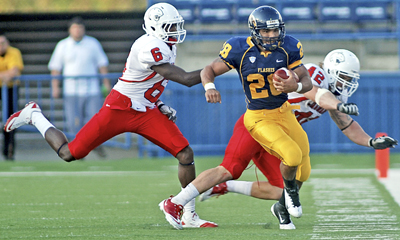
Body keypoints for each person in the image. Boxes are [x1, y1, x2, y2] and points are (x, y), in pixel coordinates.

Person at [4, 3, 216, 229]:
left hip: (145, 110)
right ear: (156, 27)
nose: (175, 30)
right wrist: (218, 68)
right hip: (119, 108)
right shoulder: (148, 46)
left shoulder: (166, 45)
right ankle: (34, 114)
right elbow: (183, 78)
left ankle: (189, 214)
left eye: (176, 25)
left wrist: (158, 102)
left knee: (185, 153)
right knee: (69, 153)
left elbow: (149, 80)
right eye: (170, 26)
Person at [198, 49, 398, 229]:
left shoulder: (336, 96)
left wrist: (371, 142)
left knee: (283, 189)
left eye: (350, 78)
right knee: (229, 169)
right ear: (331, 70)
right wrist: (337, 105)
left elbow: (346, 125)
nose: (347, 82)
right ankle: (183, 202)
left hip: (280, 136)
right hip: (260, 124)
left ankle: (225, 188)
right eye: (344, 76)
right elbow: (317, 93)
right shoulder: (313, 74)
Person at [159, 5, 315, 230]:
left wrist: (296, 85)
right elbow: (208, 70)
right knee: (232, 168)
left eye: (275, 31)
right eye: (266, 31)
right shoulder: (239, 48)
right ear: (255, 31)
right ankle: (176, 202)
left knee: (302, 169)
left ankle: (283, 204)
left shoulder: (289, 46)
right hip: (257, 119)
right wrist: (209, 87)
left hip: (282, 114)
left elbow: (305, 80)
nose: (272, 36)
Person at [48, 16, 111, 157]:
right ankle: (77, 151)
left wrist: (106, 84)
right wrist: (55, 87)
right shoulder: (62, 45)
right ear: (70, 30)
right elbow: (55, 67)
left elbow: (102, 64)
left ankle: (94, 146)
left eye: (80, 27)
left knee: (93, 121)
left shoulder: (93, 43)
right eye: (74, 28)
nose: (77, 31)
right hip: (71, 91)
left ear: (83, 29)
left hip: (91, 90)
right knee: (73, 122)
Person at [0, 31, 24, 161]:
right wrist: (5, 75)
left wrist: (3, 76)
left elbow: (14, 71)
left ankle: (9, 151)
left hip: (10, 89)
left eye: (3, 43)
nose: (1, 46)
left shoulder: (14, 52)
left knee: (10, 120)